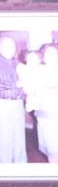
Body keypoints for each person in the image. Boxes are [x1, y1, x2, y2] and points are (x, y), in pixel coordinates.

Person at [22, 40, 58, 162]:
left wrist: (54, 89)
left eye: (54, 53)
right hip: (46, 116)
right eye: (48, 54)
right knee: (51, 148)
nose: (52, 56)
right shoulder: (37, 70)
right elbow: (29, 88)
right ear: (43, 57)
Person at [0, 33, 25, 163]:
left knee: (19, 139)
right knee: (5, 140)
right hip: (3, 105)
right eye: (5, 45)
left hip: (18, 104)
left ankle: (21, 168)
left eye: (12, 46)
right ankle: (5, 170)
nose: (9, 48)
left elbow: (28, 85)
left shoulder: (17, 64)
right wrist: (17, 85)